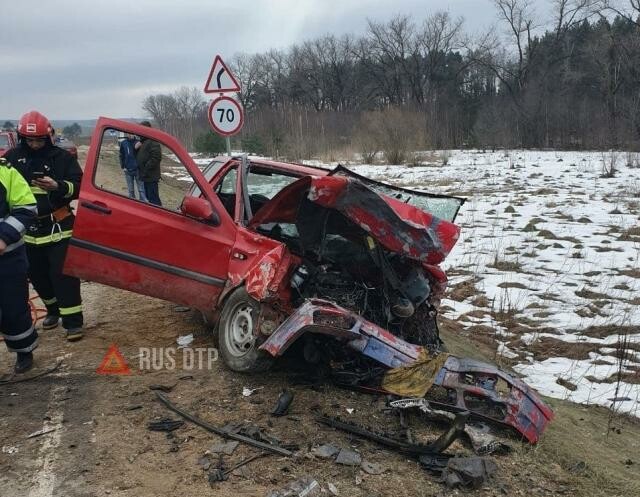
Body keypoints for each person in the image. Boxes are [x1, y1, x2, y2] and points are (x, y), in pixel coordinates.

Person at [2, 110, 84, 341]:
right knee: (37, 276)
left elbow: (79, 186)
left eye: (39, 139)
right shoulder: (11, 158)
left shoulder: (63, 158)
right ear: (22, 138)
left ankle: (73, 323)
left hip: (58, 226)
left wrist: (58, 186)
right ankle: (53, 311)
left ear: (48, 137)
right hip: (26, 232)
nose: (35, 144)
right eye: (30, 140)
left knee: (63, 276)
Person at [0, 156, 38, 372]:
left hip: (8, 260)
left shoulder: (5, 172)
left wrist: (4, 237)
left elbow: (26, 207)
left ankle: (24, 350)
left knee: (14, 308)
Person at [136, 121, 162, 206]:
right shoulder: (144, 141)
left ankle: (159, 216)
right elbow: (141, 156)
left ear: (147, 129)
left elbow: (156, 158)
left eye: (142, 129)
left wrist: (145, 169)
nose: (140, 131)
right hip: (146, 176)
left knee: (154, 199)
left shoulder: (153, 141)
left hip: (151, 176)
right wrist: (135, 148)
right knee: (149, 198)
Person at [118, 133, 146, 201]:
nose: (130, 135)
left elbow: (143, 155)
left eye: (131, 133)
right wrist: (123, 166)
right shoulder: (123, 143)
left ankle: (143, 205)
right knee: (131, 191)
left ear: (134, 134)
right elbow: (121, 155)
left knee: (141, 190)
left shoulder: (138, 142)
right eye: (128, 133)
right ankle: (133, 206)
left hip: (138, 170)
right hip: (128, 170)